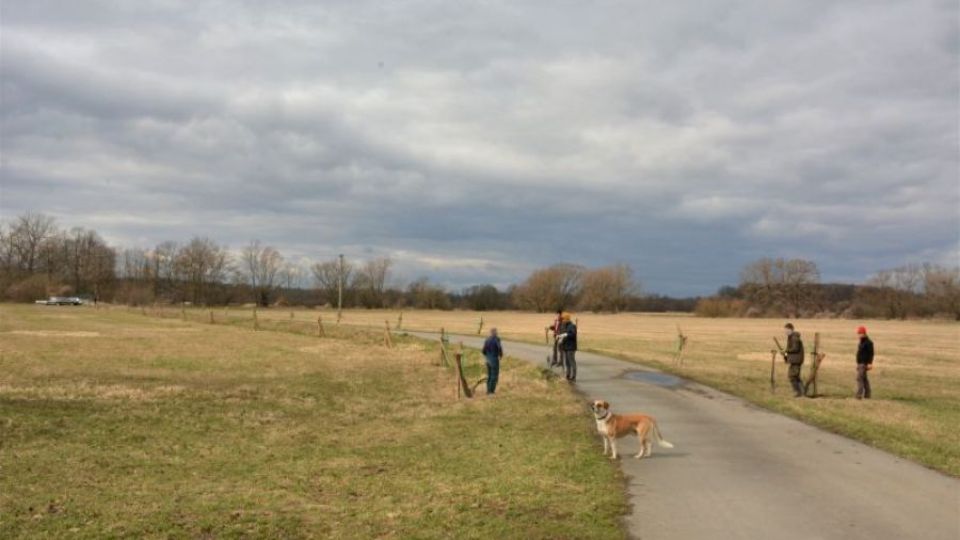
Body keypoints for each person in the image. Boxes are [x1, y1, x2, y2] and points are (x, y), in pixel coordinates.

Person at [783, 323, 805, 397]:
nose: (785, 331)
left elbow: (795, 349)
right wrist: (786, 354)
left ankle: (798, 392)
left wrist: (786, 350)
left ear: (790, 329)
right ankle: (803, 391)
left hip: (796, 360)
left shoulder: (794, 338)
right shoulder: (791, 337)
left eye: (786, 330)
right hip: (795, 360)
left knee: (792, 376)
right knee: (796, 376)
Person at [482, 328, 504, 395]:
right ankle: (491, 391)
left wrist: (487, 356)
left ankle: (488, 390)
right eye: (496, 332)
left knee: (489, 375)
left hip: (487, 359)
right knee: (494, 375)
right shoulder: (497, 339)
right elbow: (499, 348)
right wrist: (500, 355)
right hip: (494, 359)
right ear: (495, 333)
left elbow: (483, 351)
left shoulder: (487, 339)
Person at [557, 312, 578, 382]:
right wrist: (560, 338)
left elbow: (573, 334)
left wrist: (565, 335)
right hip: (565, 346)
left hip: (571, 347)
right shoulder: (565, 326)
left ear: (567, 319)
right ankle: (568, 375)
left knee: (572, 362)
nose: (562, 321)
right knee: (567, 362)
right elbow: (563, 334)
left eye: (563, 319)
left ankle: (574, 376)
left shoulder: (572, 326)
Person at [855, 326, 874, 399]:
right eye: (858, 333)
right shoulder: (861, 342)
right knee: (864, 379)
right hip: (860, 363)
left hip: (864, 363)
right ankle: (867, 394)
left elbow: (871, 353)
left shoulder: (869, 343)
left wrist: (870, 363)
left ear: (864, 333)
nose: (859, 335)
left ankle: (859, 395)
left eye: (860, 333)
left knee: (859, 378)